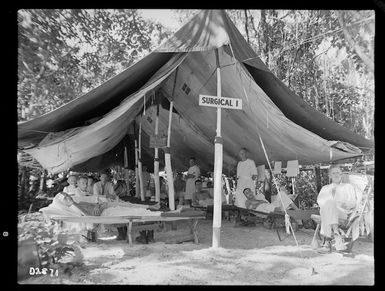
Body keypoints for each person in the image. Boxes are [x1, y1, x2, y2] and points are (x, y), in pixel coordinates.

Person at [316, 164, 357, 253]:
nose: (336, 175)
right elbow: (320, 202)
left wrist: (346, 204)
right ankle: (336, 234)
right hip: (329, 212)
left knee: (329, 206)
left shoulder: (347, 186)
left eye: (338, 172)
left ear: (341, 174)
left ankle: (327, 242)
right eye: (333, 173)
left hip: (343, 212)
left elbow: (353, 202)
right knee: (329, 204)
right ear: (330, 176)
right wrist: (332, 201)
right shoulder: (325, 188)